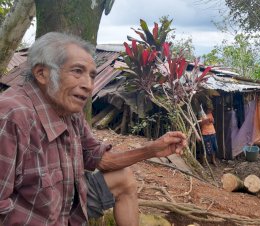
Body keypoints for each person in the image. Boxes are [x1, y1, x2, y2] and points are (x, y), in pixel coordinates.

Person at [0, 32, 187, 226]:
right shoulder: (11, 116)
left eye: (91, 75)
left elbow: (102, 160)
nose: (89, 85)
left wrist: (152, 150)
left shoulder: (70, 113)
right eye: (77, 71)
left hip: (68, 207)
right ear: (42, 73)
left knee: (123, 178)